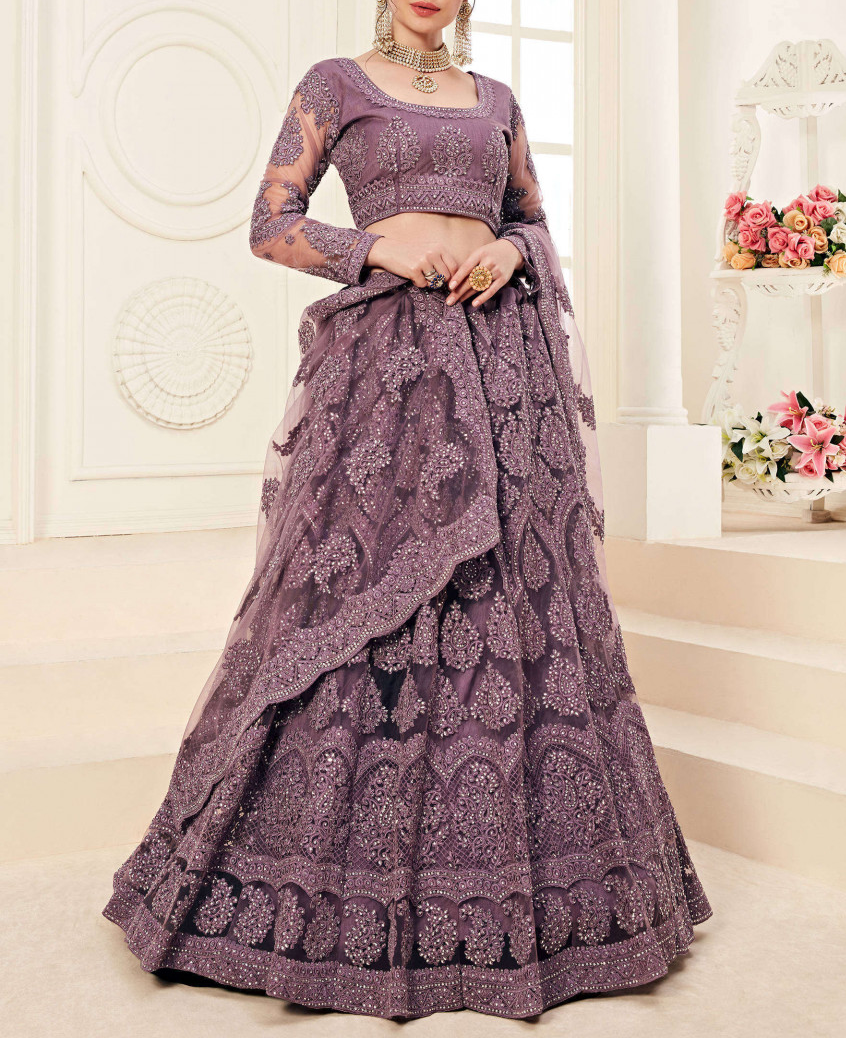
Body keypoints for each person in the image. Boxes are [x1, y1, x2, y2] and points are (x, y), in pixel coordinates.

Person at [102, 0, 712, 1019]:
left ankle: (522, 902)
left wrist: (512, 255)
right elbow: (270, 224)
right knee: (356, 599)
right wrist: (375, 252)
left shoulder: (498, 99)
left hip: (504, 363)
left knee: (516, 604)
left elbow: (528, 221)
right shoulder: (334, 85)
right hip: (386, 368)